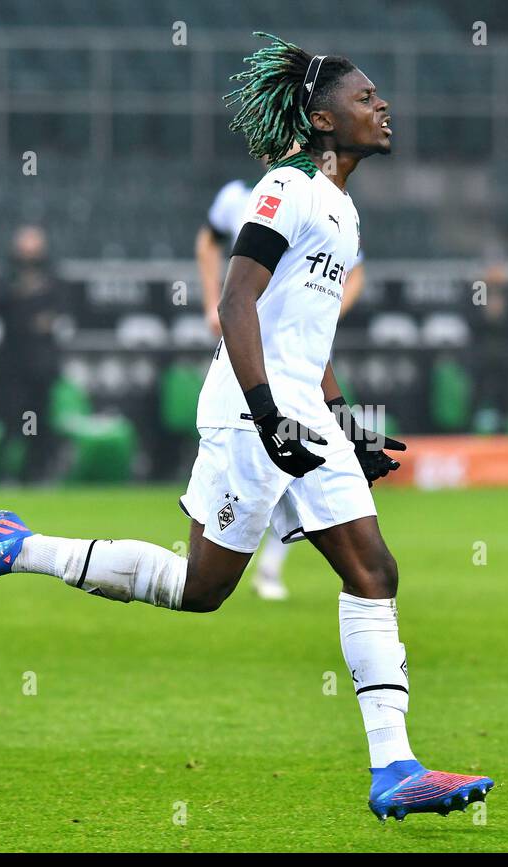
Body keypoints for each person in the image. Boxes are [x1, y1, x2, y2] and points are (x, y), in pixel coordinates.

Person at [0, 33, 493, 821]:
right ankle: (14, 546)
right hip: (249, 407)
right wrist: (268, 416)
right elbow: (237, 303)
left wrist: (346, 424)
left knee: (373, 571)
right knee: (201, 589)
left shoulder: (344, 211)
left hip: (297, 405)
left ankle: (394, 767)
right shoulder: (287, 189)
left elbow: (306, 334)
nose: (382, 106)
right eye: (366, 98)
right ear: (324, 119)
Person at [196, 154, 365, 600]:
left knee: (373, 572)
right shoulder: (262, 191)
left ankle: (270, 568)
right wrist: (211, 298)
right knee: (200, 586)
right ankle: (26, 549)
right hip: (251, 377)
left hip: (296, 377)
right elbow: (213, 253)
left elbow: (355, 275)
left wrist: (318, 320)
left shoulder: (337, 205)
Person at [0, 225, 66, 483]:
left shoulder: (53, 274)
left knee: (40, 421)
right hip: (12, 364)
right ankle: (6, 472)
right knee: (9, 420)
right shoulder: (5, 275)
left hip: (41, 364)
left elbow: (59, 310)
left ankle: (38, 471)